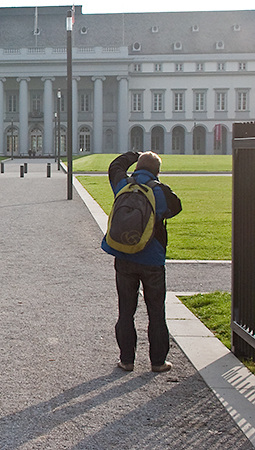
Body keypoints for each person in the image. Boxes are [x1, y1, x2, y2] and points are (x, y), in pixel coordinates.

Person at [101, 151, 182, 373]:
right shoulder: (159, 191)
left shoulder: (122, 184)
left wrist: (134, 154)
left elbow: (115, 166)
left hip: (124, 256)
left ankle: (127, 360)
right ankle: (158, 362)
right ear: (157, 171)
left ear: (137, 167)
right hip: (152, 259)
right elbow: (176, 207)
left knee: (126, 311)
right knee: (156, 312)